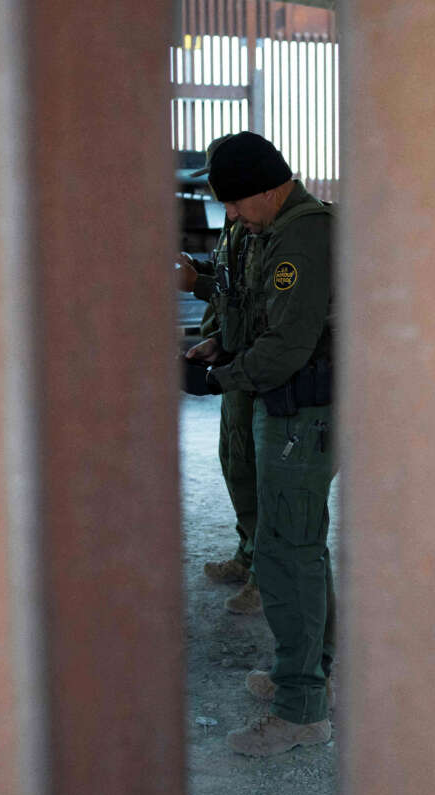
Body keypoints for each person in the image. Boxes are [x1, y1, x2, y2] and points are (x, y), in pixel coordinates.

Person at [182, 131, 337, 755]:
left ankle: (302, 710)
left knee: (285, 553)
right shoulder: (267, 229)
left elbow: (288, 346)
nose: (232, 216)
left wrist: (221, 379)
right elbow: (258, 313)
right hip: (288, 405)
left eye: (239, 203)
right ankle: (312, 674)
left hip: (305, 413)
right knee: (299, 547)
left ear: (272, 186)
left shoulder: (305, 232)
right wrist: (219, 344)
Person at [178, 139, 264, 615]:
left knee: (259, 474)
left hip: (260, 368)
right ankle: (246, 554)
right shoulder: (237, 227)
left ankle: (263, 574)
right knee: (235, 464)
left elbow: (253, 298)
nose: (226, 209)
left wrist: (200, 285)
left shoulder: (270, 230)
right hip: (233, 362)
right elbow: (231, 284)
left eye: (230, 198)